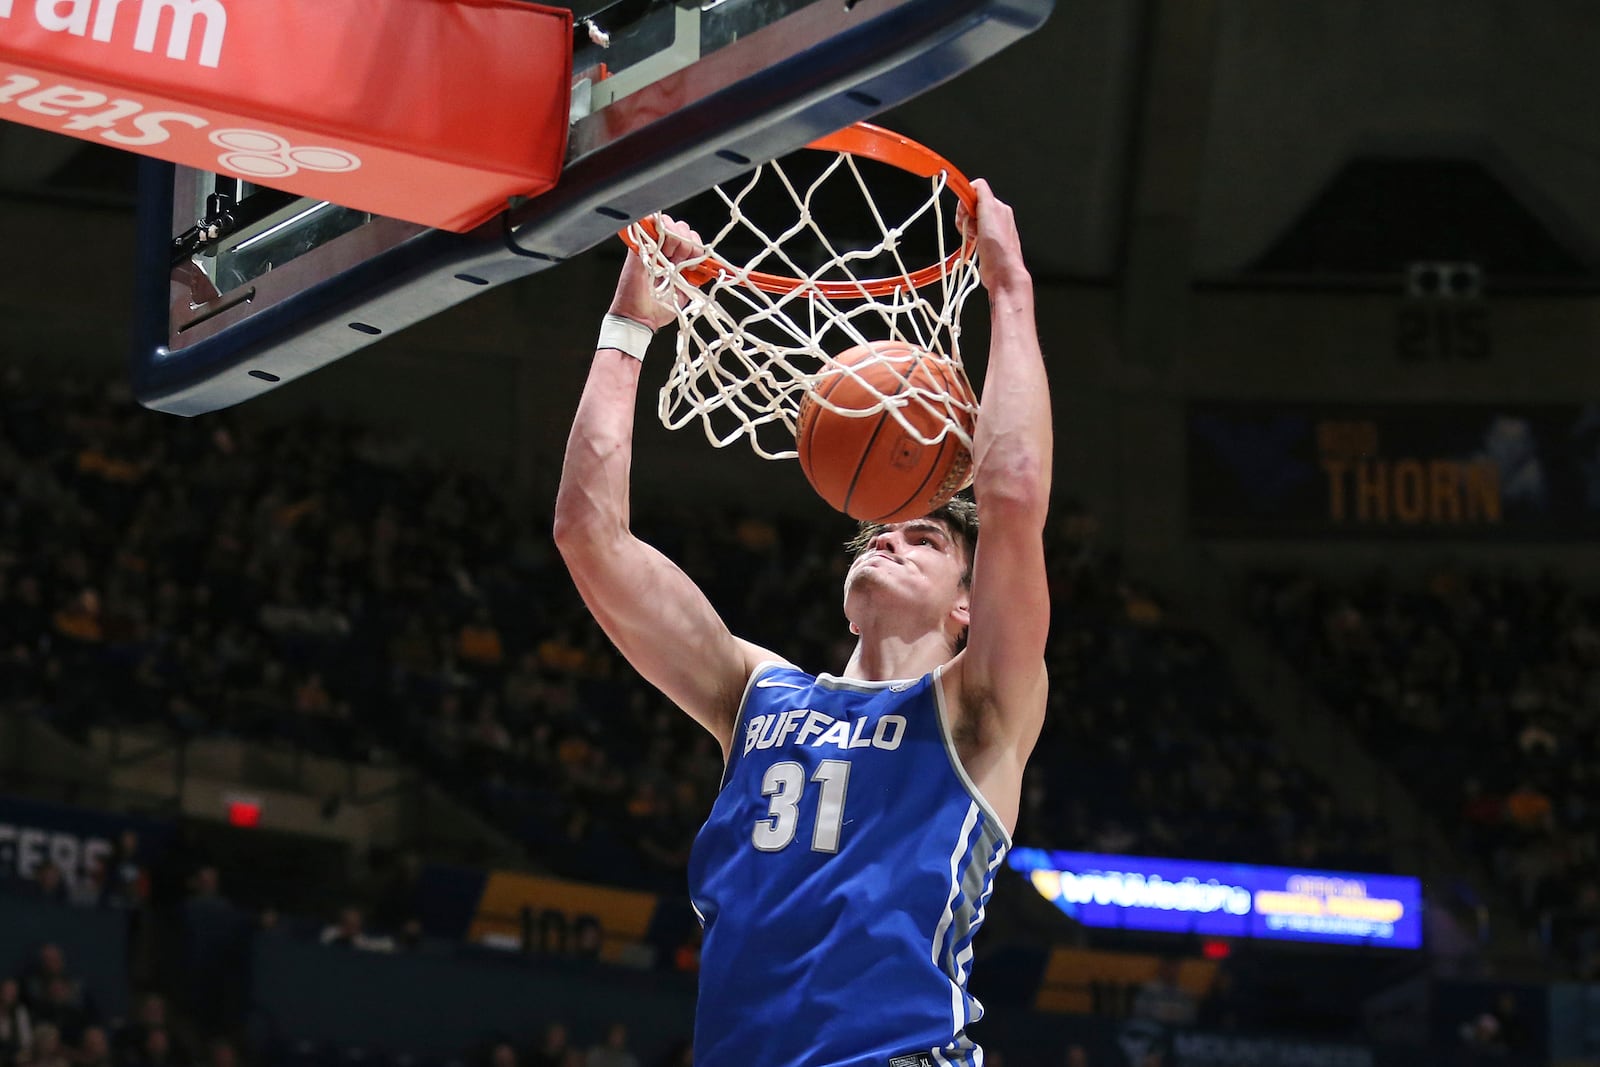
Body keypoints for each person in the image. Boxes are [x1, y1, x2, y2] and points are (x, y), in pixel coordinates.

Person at [555, 180, 1050, 1067]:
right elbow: (589, 536)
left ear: (967, 604)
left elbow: (1011, 498)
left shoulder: (979, 709)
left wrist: (1009, 290)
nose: (890, 538)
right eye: (882, 529)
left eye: (925, 537)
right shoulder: (753, 691)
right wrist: (627, 331)